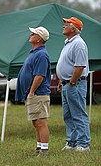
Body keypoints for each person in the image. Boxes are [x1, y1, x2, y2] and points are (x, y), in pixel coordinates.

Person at [56, 17, 90, 152]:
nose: (64, 25)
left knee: (79, 114)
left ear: (74, 28)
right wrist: (61, 80)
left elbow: (80, 66)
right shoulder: (68, 43)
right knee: (68, 115)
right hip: (67, 84)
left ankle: (83, 144)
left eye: (67, 24)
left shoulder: (79, 44)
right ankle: (72, 142)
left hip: (75, 84)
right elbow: (68, 64)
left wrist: (71, 83)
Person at [15, 26, 51, 155]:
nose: (31, 34)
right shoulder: (34, 52)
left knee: (41, 122)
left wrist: (31, 92)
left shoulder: (41, 54)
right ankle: (39, 148)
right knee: (36, 122)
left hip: (38, 93)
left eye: (34, 33)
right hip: (34, 93)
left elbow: (39, 75)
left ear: (39, 39)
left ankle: (44, 151)